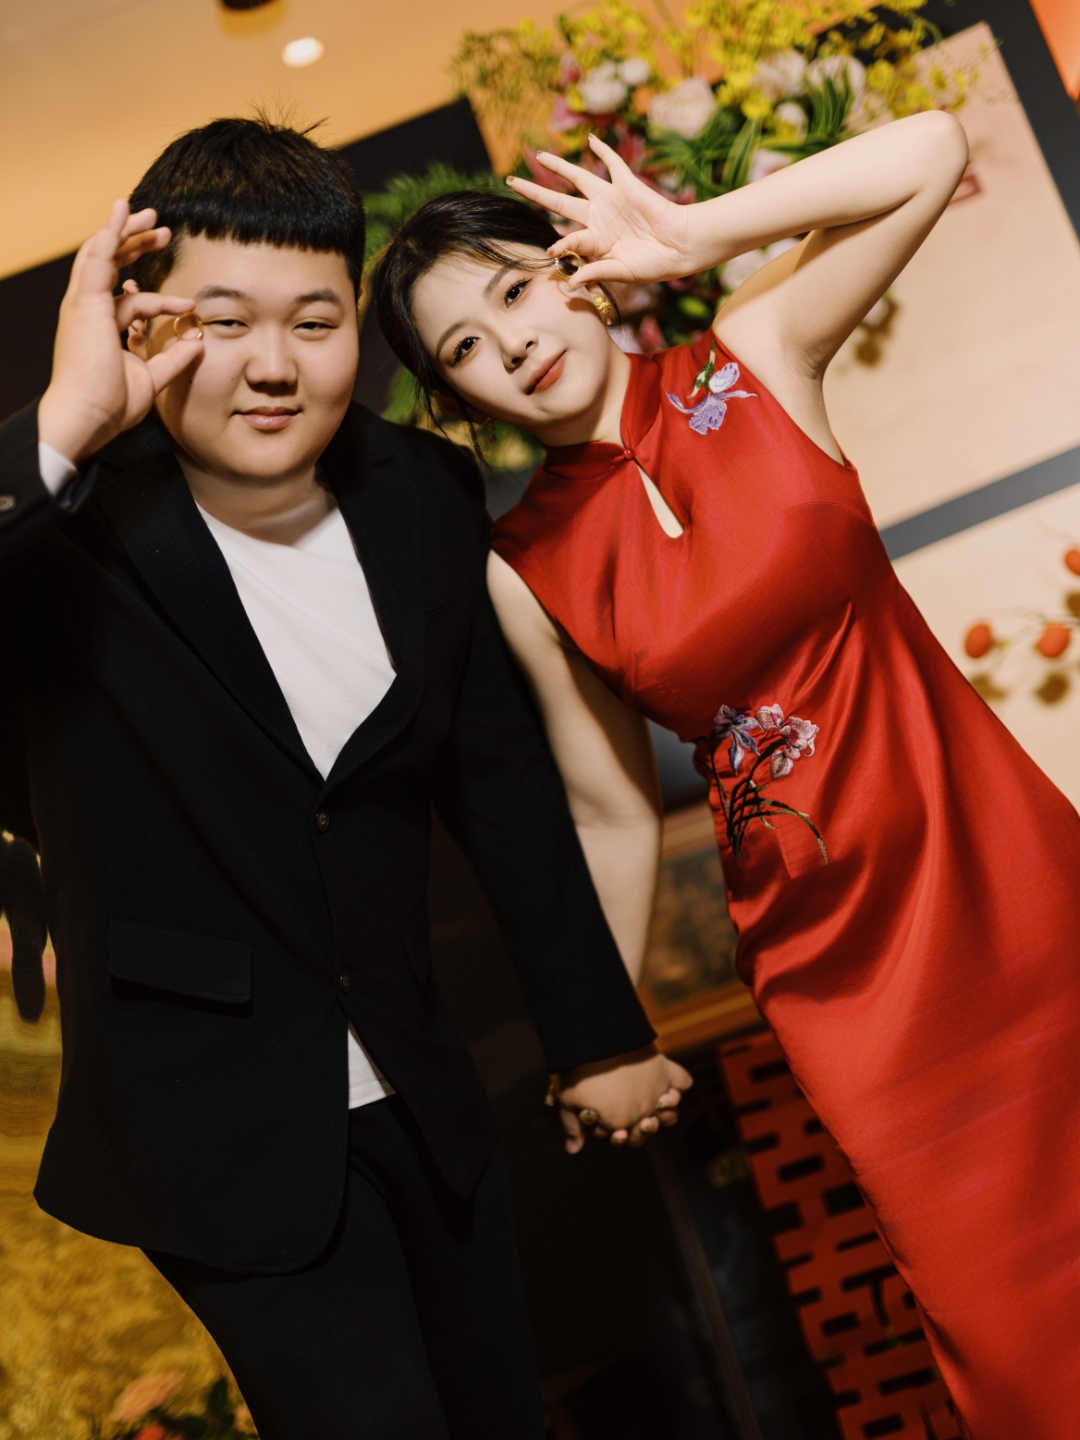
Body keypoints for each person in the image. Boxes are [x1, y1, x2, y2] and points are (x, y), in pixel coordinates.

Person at [374, 113, 1080, 1439]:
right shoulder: (525, 570)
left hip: (1007, 874)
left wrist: (693, 236)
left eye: (515, 291)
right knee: (997, 1304)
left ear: (578, 268)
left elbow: (931, 149)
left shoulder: (755, 354)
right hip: (834, 967)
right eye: (462, 348)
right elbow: (609, 811)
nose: (510, 345)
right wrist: (600, 1030)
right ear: (455, 401)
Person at [0, 116, 694, 1440]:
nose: (273, 367)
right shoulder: (62, 524)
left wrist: (599, 1036)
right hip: (212, 1131)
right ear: (145, 317)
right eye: (224, 321)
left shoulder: (421, 492)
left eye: (313, 323)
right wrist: (62, 427)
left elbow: (500, 786)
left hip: (426, 1096)